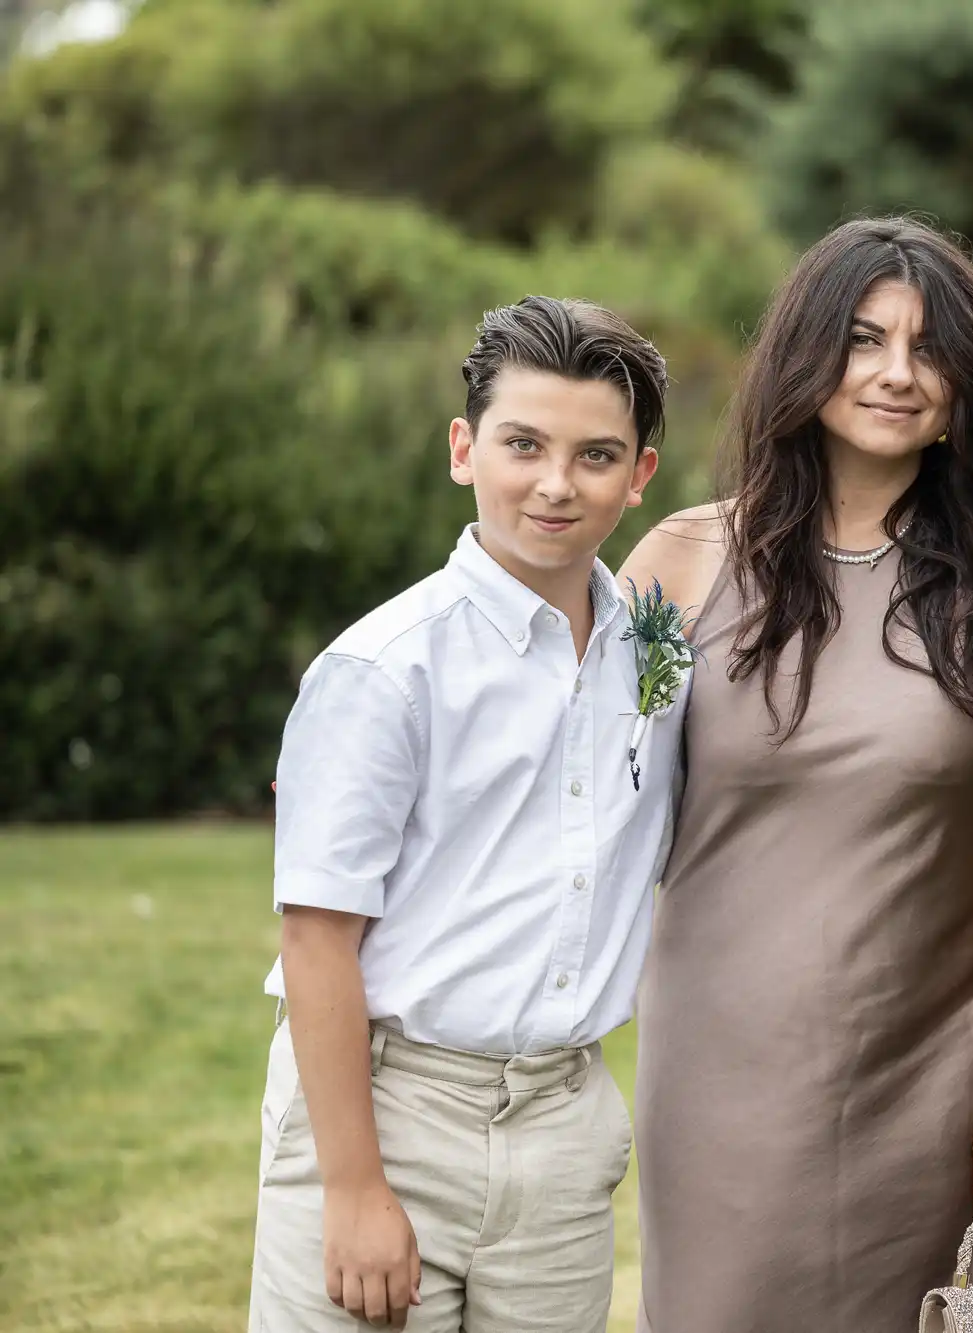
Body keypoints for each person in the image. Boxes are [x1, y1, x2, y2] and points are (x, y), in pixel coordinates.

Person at [617, 216, 973, 1332]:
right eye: (864, 339)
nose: (893, 374)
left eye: (928, 350)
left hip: (931, 1060)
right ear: (803, 353)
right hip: (714, 1054)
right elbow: (585, 778)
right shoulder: (677, 565)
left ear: (967, 383)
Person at [247, 296, 674, 1331]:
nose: (555, 484)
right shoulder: (384, 670)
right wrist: (352, 1190)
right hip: (391, 1111)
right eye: (522, 444)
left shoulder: (659, 656)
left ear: (641, 474)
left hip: (563, 1123)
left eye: (596, 454)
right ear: (462, 447)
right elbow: (315, 940)